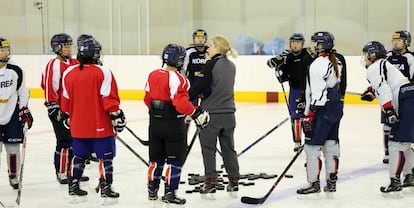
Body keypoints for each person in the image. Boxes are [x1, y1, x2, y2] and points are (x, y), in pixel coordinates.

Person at [61, 38, 126, 202]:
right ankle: (106, 187)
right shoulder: (103, 72)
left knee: (79, 156)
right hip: (100, 126)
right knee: (106, 157)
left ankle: (73, 186)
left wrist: (68, 117)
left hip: (78, 126)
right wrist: (118, 116)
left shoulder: (69, 73)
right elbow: (109, 101)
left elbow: (65, 102)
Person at [144, 44, 210, 205]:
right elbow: (180, 103)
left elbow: (147, 98)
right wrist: (196, 113)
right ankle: (170, 192)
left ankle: (152, 191)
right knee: (175, 160)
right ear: (179, 60)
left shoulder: (153, 74)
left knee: (156, 159)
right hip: (173, 126)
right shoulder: (180, 79)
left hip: (154, 124)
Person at [188, 35, 240, 199]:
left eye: (211, 46)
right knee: (228, 148)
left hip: (212, 114)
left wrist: (184, 97)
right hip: (229, 114)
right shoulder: (231, 66)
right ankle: (234, 179)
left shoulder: (210, 65)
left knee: (208, 149)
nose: (208, 49)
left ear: (217, 48)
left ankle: (210, 182)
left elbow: (200, 87)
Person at [360, 41, 414, 196]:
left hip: (404, 101)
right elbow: (387, 83)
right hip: (410, 96)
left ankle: (395, 180)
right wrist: (371, 92)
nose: (365, 58)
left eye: (366, 54)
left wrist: (389, 111)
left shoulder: (374, 67)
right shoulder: (385, 64)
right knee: (405, 142)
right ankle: (410, 176)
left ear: (372, 54)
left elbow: (383, 89)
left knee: (395, 143)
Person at [296, 31, 344, 196]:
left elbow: (318, 93)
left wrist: (309, 113)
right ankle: (331, 182)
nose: (311, 45)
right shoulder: (336, 60)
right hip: (335, 106)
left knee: (312, 148)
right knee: (331, 145)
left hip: (322, 109)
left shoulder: (318, 64)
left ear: (321, 45)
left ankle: (313, 183)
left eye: (314, 42)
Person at [41, 33, 89, 185]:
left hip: (76, 110)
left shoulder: (75, 62)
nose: (69, 49)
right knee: (64, 142)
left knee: (77, 142)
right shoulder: (53, 65)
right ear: (57, 48)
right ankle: (61, 172)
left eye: (70, 45)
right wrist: (52, 106)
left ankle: (74, 171)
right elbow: (48, 86)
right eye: (65, 46)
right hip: (60, 110)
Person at [266, 33, 315, 151]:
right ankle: (297, 142)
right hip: (294, 90)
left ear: (302, 44)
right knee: (295, 117)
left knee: (308, 116)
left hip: (309, 90)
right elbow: (276, 67)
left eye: (298, 42)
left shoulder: (307, 54)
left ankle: (310, 140)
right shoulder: (287, 56)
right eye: (293, 42)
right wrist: (277, 68)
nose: (295, 45)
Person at [0, 37, 33, 189]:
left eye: (6, 49)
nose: (5, 52)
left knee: (13, 149)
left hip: (12, 114)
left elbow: (22, 91)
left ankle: (14, 176)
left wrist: (24, 108)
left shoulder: (16, 70)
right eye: (2, 49)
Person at [181, 29, 209, 105]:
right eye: (198, 38)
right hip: (192, 86)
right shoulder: (188, 52)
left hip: (206, 87)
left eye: (202, 38)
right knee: (192, 110)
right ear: (194, 39)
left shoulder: (210, 51)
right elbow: (184, 69)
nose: (200, 40)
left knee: (207, 110)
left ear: (205, 39)